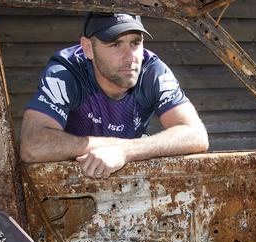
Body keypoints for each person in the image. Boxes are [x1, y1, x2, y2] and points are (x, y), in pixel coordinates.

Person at [19, 12, 208, 178]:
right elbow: (33, 144)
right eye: (115, 44)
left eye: (135, 43)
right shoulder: (66, 71)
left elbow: (196, 135)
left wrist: (125, 151)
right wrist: (110, 147)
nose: (130, 57)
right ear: (88, 48)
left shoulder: (152, 70)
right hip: (69, 184)